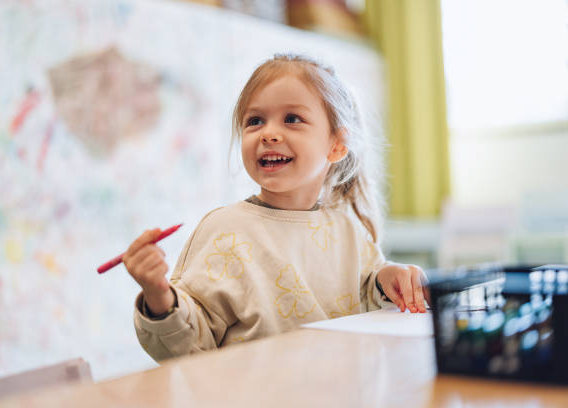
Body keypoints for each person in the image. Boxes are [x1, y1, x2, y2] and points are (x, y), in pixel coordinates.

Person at [125, 54, 429, 362]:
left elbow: (369, 292)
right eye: (255, 121)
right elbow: (187, 345)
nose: (268, 133)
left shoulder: (348, 229)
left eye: (292, 119)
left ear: (336, 145)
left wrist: (388, 278)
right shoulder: (224, 231)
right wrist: (159, 296)